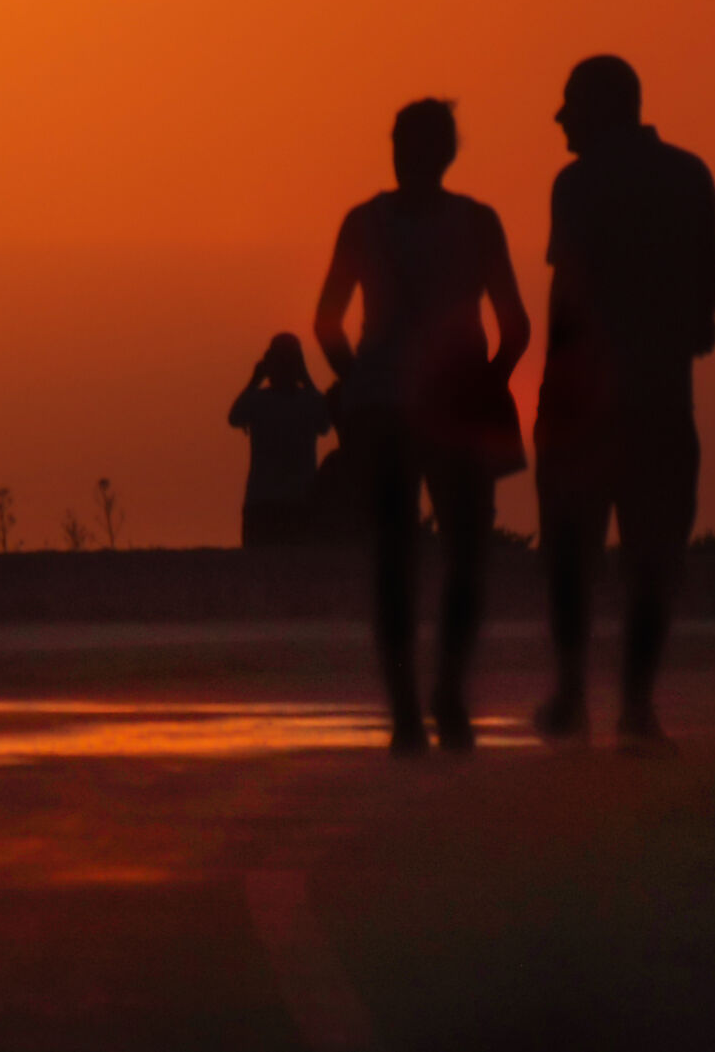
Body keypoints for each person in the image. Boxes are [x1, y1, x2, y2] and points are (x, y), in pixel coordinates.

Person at [315, 99, 529, 754]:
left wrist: (355, 379)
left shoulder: (363, 222)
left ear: (396, 147)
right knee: (466, 554)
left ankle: (407, 709)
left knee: (392, 559)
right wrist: (489, 379)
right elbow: (515, 326)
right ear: (450, 151)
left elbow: (326, 323)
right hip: (459, 400)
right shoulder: (479, 222)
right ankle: (451, 695)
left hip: (380, 403)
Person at [532, 56, 715, 755]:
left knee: (570, 552)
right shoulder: (690, 175)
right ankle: (636, 704)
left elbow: (570, 290)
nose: (559, 119)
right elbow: (709, 293)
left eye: (569, 104)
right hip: (663, 398)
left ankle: (573, 695)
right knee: (653, 555)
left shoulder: (577, 184)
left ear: (602, 108)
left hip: (585, 402)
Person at [227, 335, 330, 547]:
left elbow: (235, 416)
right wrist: (307, 378)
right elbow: (325, 422)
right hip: (295, 501)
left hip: (270, 501)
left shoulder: (258, 401)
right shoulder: (307, 401)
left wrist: (255, 380)